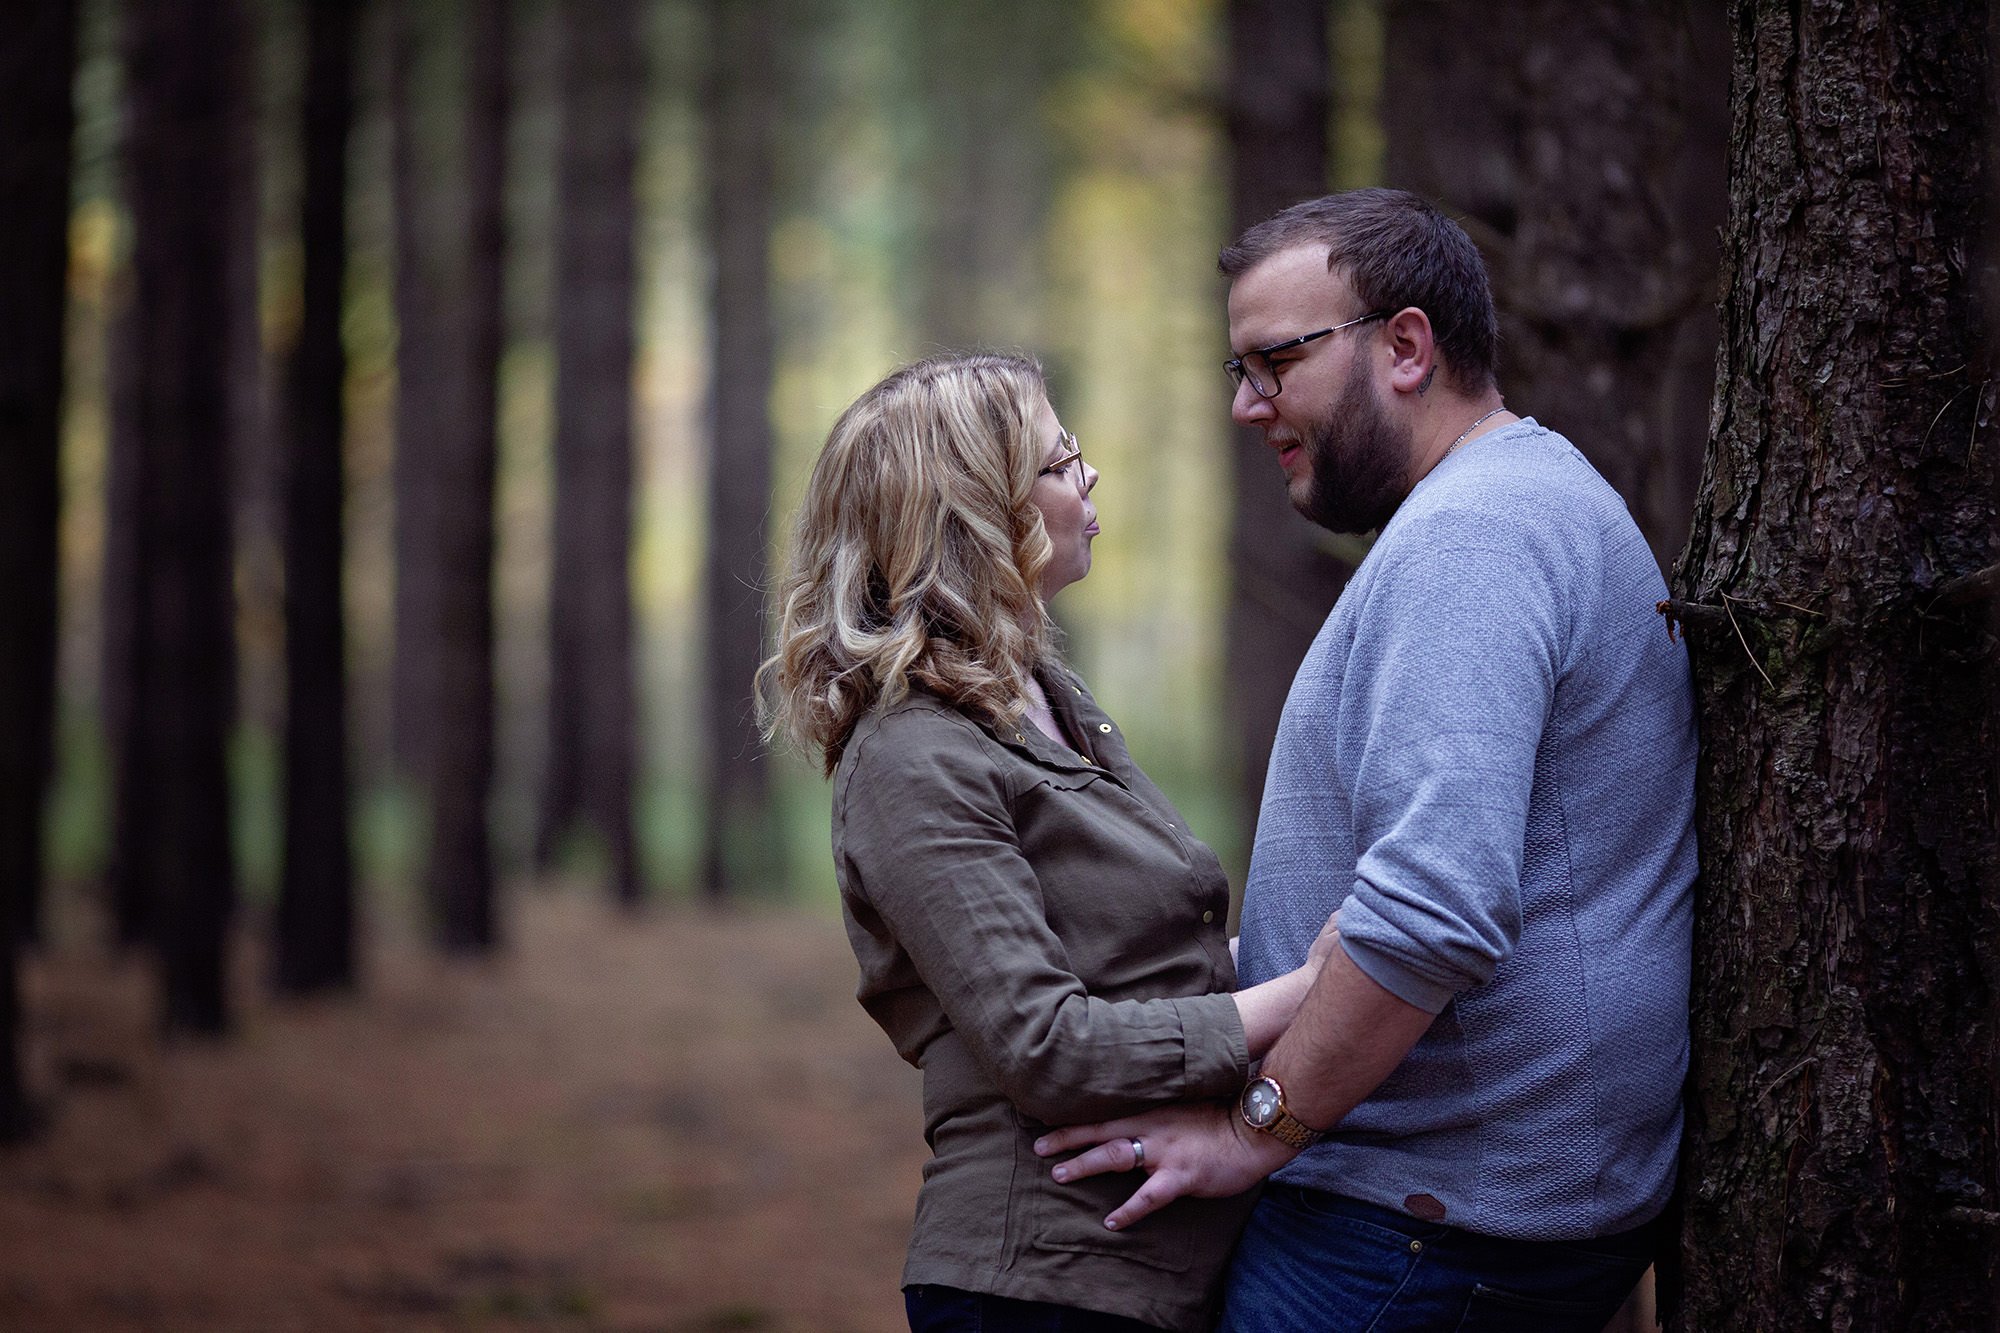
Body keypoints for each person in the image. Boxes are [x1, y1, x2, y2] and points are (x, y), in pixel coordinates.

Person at [1033, 189, 1699, 1333]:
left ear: (1402, 345)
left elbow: (1432, 909)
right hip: (1443, 1216)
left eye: (1270, 362)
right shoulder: (1507, 506)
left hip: (1419, 1232)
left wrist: (1254, 1133)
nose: (1246, 406)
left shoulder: (1471, 537)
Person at [758, 352, 1339, 1333]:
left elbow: (1136, 971)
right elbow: (1047, 1045)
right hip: (1038, 1287)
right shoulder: (913, 753)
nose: (1089, 474)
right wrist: (1305, 991)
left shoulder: (1045, 706)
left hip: (1151, 1276)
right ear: (977, 508)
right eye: (1059, 457)